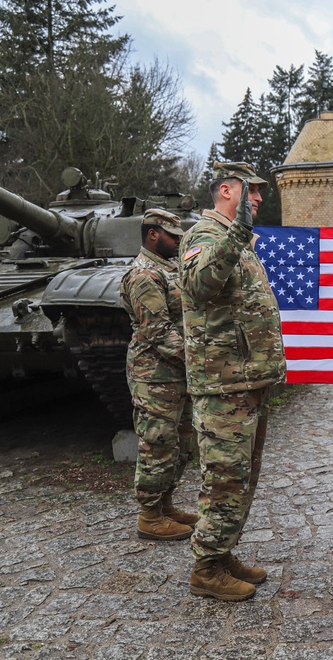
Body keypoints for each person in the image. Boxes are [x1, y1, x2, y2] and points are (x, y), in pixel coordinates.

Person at [179, 162, 286, 602]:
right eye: (252, 191)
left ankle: (222, 553)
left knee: (242, 476)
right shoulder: (205, 235)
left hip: (245, 381)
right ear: (226, 190)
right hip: (223, 384)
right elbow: (201, 283)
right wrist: (235, 236)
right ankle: (206, 568)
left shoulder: (237, 239)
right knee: (225, 477)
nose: (260, 198)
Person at [119, 208, 199, 541]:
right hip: (154, 375)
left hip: (178, 373)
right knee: (157, 442)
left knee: (181, 444)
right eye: (172, 236)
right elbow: (159, 331)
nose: (178, 241)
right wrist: (200, 360)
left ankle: (165, 503)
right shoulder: (144, 275)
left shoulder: (171, 269)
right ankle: (149, 515)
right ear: (153, 234)